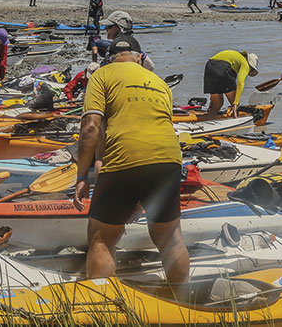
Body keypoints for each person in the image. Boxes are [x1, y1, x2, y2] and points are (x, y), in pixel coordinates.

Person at [73, 34, 189, 283]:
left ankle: (100, 304)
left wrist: (82, 176)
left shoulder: (102, 76)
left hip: (125, 157)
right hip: (169, 158)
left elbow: (91, 128)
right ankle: (180, 298)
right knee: (170, 236)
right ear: (140, 58)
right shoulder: (160, 84)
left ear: (111, 58)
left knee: (101, 238)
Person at [202, 50, 259, 119]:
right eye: (251, 70)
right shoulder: (245, 63)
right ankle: (236, 122)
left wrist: (213, 98)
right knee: (234, 104)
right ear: (251, 65)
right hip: (223, 68)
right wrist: (236, 103)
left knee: (217, 104)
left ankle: (208, 122)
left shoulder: (237, 57)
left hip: (209, 66)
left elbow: (216, 71)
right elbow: (240, 82)